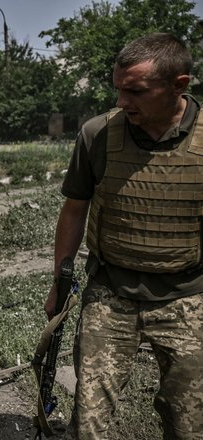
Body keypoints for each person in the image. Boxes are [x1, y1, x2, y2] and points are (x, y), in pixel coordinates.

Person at [45, 33, 203, 439]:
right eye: (117, 89)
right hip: (110, 292)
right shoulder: (98, 134)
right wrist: (60, 280)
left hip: (187, 297)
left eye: (135, 91)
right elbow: (75, 207)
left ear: (178, 85)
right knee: (89, 423)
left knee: (188, 422)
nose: (121, 102)